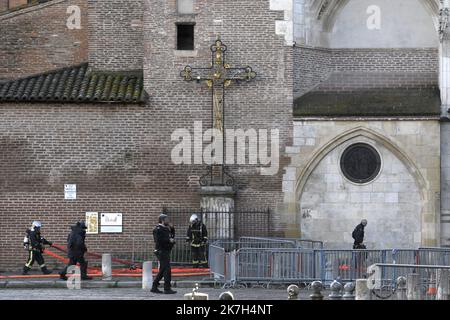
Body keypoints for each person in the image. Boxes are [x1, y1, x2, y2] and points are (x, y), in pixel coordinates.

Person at [151, 214, 177, 294]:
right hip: (161, 251)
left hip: (165, 251)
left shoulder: (165, 228)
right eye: (166, 219)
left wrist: (172, 229)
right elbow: (159, 240)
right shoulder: (158, 229)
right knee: (167, 270)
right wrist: (169, 241)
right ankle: (167, 288)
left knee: (162, 270)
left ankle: (154, 287)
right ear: (162, 220)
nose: (168, 221)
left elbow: (171, 236)